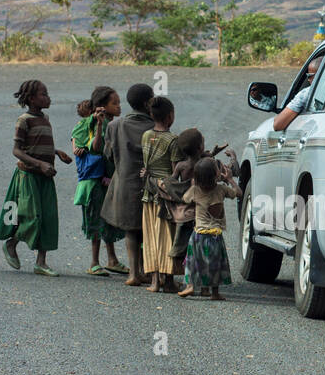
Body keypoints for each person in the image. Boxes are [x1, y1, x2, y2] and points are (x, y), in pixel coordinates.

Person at [0, 80, 74, 276]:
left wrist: (56, 152)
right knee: (31, 217)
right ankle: (11, 244)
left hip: (46, 177)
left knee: (47, 218)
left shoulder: (45, 118)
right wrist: (39, 164)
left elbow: (37, 143)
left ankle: (41, 262)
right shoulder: (24, 120)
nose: (48, 97)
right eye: (44, 94)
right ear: (31, 98)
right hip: (29, 176)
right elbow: (17, 150)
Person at [100, 83, 156, 286]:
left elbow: (107, 155)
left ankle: (133, 273)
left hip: (124, 183)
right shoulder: (155, 127)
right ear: (148, 102)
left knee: (131, 231)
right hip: (151, 186)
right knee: (148, 230)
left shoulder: (115, 126)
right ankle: (145, 271)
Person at [70, 86, 127, 276]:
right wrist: (98, 125)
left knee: (109, 220)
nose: (119, 107)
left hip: (110, 181)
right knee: (95, 220)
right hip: (94, 182)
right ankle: (94, 262)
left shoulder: (115, 125)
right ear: (101, 106)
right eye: (115, 103)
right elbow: (93, 149)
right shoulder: (88, 124)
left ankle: (112, 259)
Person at [178, 157, 241, 300]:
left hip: (198, 235)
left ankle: (190, 286)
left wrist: (195, 184)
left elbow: (184, 199)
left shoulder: (194, 191)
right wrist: (230, 180)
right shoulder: (221, 189)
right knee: (214, 263)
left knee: (192, 261)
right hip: (215, 236)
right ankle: (215, 293)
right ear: (216, 175)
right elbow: (239, 193)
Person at [140, 96, 182, 293]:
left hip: (148, 193)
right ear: (170, 117)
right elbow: (175, 172)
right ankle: (169, 281)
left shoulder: (146, 135)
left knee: (150, 238)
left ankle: (155, 281)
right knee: (166, 238)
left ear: (151, 115)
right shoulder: (172, 140)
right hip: (165, 196)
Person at [274, 54, 322, 131]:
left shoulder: (306, 93)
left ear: (320, 75)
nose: (308, 79)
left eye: (309, 75)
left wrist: (299, 121)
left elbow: (278, 124)